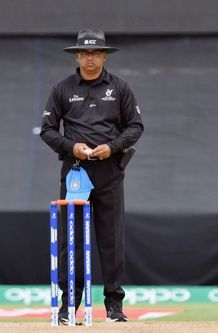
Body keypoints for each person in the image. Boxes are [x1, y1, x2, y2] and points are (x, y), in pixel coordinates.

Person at [40, 28, 144, 324]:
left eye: (95, 52)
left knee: (111, 239)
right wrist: (72, 146)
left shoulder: (120, 87)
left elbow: (135, 126)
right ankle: (68, 304)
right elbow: (47, 130)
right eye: (84, 53)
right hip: (75, 171)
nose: (90, 58)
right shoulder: (62, 89)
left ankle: (114, 305)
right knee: (70, 241)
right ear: (77, 55)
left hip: (109, 171)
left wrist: (110, 148)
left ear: (103, 55)